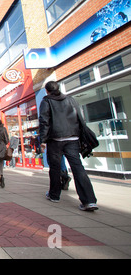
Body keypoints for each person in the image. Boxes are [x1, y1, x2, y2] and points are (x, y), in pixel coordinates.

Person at [39, 81, 98, 211]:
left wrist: (42, 140)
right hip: (73, 138)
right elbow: (80, 118)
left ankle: (54, 195)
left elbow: (44, 121)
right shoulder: (70, 99)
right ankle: (89, 200)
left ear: (47, 91)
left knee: (54, 168)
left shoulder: (46, 101)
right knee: (78, 168)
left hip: (55, 139)